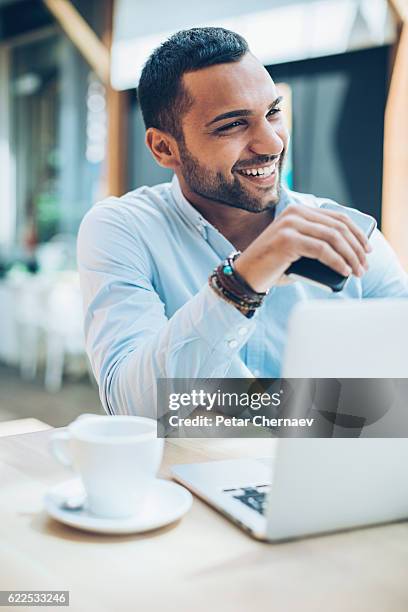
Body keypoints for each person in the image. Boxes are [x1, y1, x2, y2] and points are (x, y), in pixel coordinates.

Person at [77, 27, 408, 417]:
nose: (271, 144)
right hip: (182, 477)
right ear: (164, 148)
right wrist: (242, 281)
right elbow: (131, 407)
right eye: (232, 125)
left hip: (322, 472)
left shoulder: (344, 231)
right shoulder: (123, 228)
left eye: (273, 113)